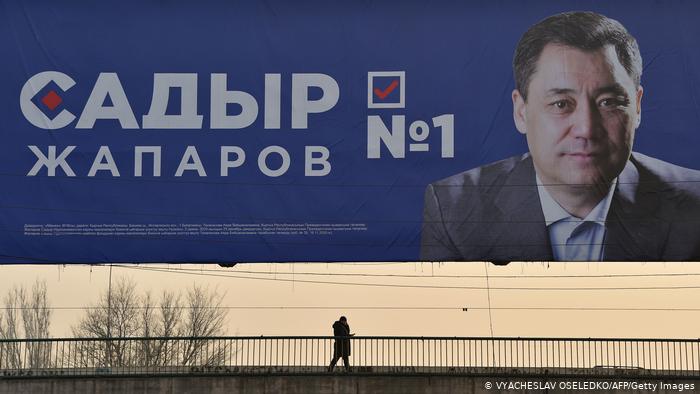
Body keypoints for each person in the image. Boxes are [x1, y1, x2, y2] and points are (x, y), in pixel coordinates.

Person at [420, 11, 700, 262]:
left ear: (637, 107)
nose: (587, 129)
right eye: (561, 104)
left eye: (608, 102)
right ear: (521, 112)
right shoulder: (454, 211)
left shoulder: (694, 207)